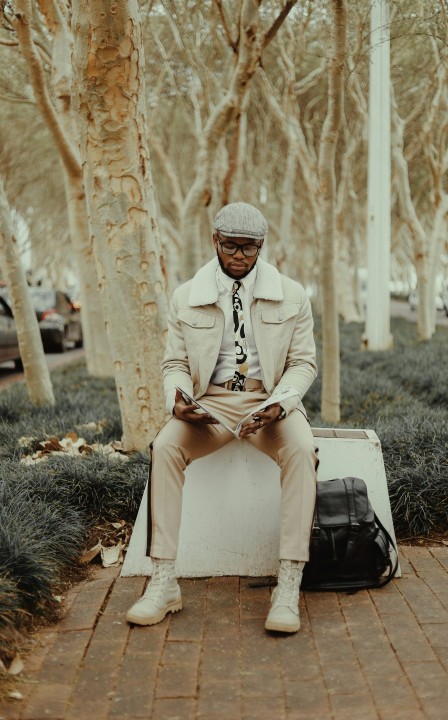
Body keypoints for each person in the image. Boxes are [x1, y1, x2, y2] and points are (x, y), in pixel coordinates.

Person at [126, 202, 318, 633]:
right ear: (214, 241)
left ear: (261, 247)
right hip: (209, 404)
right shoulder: (186, 296)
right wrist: (178, 399)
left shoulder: (292, 294)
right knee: (165, 446)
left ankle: (288, 586)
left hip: (269, 400)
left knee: (304, 450)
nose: (239, 256)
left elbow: (304, 363)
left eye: (249, 249)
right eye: (230, 246)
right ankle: (162, 583)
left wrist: (279, 404)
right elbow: (173, 363)